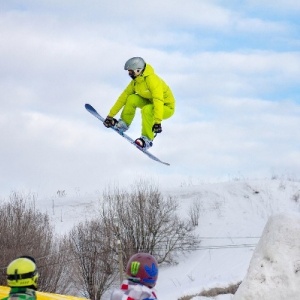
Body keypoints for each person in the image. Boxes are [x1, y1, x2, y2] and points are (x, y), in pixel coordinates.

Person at [103, 57, 175, 150]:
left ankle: (147, 140)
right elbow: (123, 98)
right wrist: (110, 116)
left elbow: (158, 100)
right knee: (132, 98)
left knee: (147, 109)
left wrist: (158, 122)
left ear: (138, 70)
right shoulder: (135, 82)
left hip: (165, 107)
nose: (129, 74)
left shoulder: (152, 80)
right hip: (150, 103)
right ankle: (123, 124)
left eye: (131, 71)